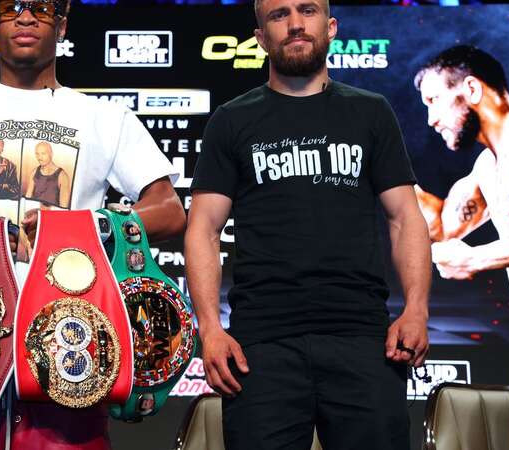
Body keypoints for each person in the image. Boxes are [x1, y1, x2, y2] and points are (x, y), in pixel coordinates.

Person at [0, 0, 185, 448]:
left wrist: (81, 227)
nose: (25, 17)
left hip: (68, 336)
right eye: (12, 7)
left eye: (41, 8)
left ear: (61, 24)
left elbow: (169, 209)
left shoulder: (105, 118)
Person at [184, 1, 431, 449]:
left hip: (362, 337)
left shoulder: (371, 113)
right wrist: (210, 328)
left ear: (330, 26)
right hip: (262, 344)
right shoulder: (232, 119)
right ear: (260, 37)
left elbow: (404, 218)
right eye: (279, 15)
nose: (296, 23)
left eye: (308, 10)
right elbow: (202, 229)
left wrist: (416, 307)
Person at [413, 45, 509, 346]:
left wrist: (475, 258)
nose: (431, 120)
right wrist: (387, 167)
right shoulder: (487, 165)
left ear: (472, 89)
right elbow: (441, 229)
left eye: (434, 101)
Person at [25, 140, 71, 208]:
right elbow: (27, 200)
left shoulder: (62, 176)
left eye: (43, 153)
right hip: (35, 214)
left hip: (53, 216)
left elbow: (63, 209)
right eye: (37, 154)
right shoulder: (34, 172)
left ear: (51, 154)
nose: (39, 157)